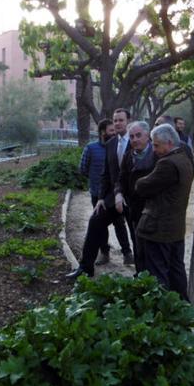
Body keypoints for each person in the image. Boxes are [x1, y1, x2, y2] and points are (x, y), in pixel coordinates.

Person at [66, 109, 135, 279]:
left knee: (136, 234)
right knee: (95, 221)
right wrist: (101, 198)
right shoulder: (110, 144)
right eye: (115, 120)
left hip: (134, 197)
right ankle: (85, 268)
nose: (118, 123)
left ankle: (142, 272)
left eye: (121, 120)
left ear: (128, 121)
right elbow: (105, 174)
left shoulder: (136, 141)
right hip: (111, 197)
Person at [133, 124, 194, 300]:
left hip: (159, 228)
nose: (154, 149)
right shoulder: (184, 158)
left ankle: (163, 315)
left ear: (169, 143)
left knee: (158, 275)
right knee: (177, 271)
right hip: (176, 228)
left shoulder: (167, 163)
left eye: (156, 145)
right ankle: (182, 308)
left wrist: (142, 179)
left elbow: (141, 186)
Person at [114, 121, 156, 275]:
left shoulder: (157, 155)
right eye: (132, 137)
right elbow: (121, 179)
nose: (135, 139)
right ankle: (140, 277)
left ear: (148, 136)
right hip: (134, 210)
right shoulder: (129, 156)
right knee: (137, 246)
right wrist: (118, 193)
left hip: (153, 212)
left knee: (151, 249)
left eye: (138, 135)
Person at [79, 119, 116, 262]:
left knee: (120, 225)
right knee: (100, 223)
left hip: (114, 194)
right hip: (97, 193)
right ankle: (104, 252)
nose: (113, 133)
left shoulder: (115, 146)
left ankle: (127, 253)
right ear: (102, 132)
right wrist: (95, 179)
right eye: (111, 130)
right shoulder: (91, 148)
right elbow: (83, 168)